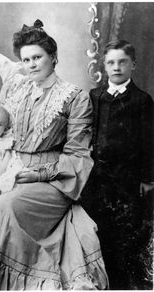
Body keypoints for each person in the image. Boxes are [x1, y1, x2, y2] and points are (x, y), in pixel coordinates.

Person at [0, 20, 108, 290]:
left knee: (0, 208)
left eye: (37, 57)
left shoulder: (75, 97)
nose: (31, 65)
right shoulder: (14, 86)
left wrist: (37, 173)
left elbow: (78, 154)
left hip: (51, 181)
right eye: (25, 60)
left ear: (53, 57)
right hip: (7, 169)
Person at [81, 40, 154, 289]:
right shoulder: (96, 95)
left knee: (125, 232)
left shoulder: (141, 100)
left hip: (128, 177)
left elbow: (148, 142)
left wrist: (147, 178)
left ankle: (124, 283)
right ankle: (101, 278)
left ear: (133, 65)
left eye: (123, 62)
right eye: (111, 62)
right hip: (99, 175)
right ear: (104, 65)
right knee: (98, 226)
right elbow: (91, 132)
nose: (116, 67)